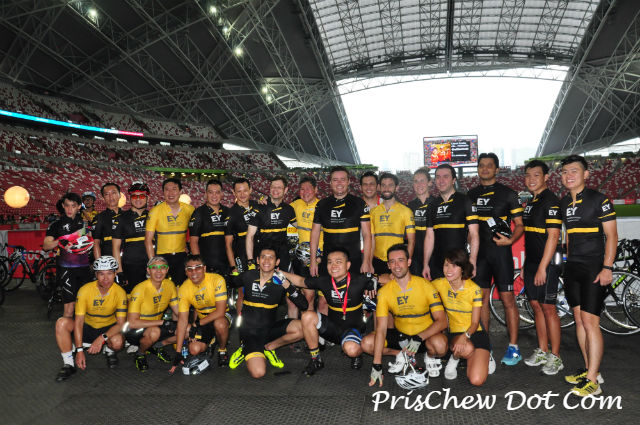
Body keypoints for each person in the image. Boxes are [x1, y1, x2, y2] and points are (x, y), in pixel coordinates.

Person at [560, 155, 617, 397]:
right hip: (572, 268)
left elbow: (612, 236)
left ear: (586, 174)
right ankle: (590, 370)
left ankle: (594, 381)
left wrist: (607, 267)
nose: (568, 175)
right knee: (579, 319)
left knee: (590, 322)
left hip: (594, 267)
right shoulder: (564, 202)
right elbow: (569, 236)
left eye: (574, 170)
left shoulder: (599, 199)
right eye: (565, 172)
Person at [281, 247, 377, 375]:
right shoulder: (324, 281)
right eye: (330, 262)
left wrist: (375, 280)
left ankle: (357, 353)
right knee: (307, 316)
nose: (333, 266)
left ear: (348, 265)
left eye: (338, 262)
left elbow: (389, 278)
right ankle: (316, 359)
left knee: (351, 350)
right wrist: (279, 272)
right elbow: (301, 281)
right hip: (332, 328)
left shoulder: (359, 280)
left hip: (352, 329)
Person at [467, 153, 524, 366]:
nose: (485, 169)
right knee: (480, 301)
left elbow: (520, 225)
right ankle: (485, 345)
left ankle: (514, 347)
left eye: (489, 165)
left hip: (501, 254)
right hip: (479, 256)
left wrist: (510, 241)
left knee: (508, 300)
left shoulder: (508, 193)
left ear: (497, 169)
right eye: (481, 165)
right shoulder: (470, 194)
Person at [366, 244, 448, 387]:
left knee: (440, 346)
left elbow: (442, 321)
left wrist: (419, 338)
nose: (397, 265)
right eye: (392, 262)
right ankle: (400, 354)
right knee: (367, 343)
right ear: (388, 265)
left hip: (424, 337)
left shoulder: (425, 285)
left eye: (400, 260)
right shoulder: (384, 292)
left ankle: (429, 356)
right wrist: (377, 364)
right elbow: (381, 329)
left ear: (409, 262)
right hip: (401, 337)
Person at [229, 246, 307, 378]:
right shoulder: (248, 276)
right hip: (249, 333)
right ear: (258, 260)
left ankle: (270, 347)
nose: (266, 260)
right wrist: (232, 272)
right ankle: (244, 349)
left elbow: (303, 305)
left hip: (270, 331)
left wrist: (288, 285)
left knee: (304, 328)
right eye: (263, 257)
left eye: (271, 257)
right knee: (258, 373)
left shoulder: (281, 281)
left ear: (277, 262)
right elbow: (230, 281)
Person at [53, 256, 127, 382]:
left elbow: (121, 324)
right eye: (101, 274)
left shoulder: (120, 292)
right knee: (61, 323)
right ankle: (68, 363)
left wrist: (102, 338)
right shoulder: (85, 290)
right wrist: (79, 350)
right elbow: (79, 322)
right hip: (87, 327)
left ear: (115, 274)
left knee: (118, 341)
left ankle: (109, 350)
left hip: (107, 329)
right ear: (96, 275)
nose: (106, 278)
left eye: (109, 273)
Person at [521, 160, 564, 375]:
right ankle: (542, 350)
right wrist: (527, 265)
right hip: (532, 262)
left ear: (546, 177)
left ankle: (555, 357)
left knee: (548, 308)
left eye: (536, 175)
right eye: (528, 175)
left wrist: (542, 267)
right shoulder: (531, 201)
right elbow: (530, 237)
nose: (531, 179)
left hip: (548, 263)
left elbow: (553, 237)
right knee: (536, 306)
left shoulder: (551, 201)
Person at [431, 249, 491, 386]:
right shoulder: (439, 284)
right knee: (467, 348)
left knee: (476, 380)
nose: (449, 270)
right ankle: (455, 359)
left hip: (475, 332)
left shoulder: (474, 289)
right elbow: (418, 285)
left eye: (454, 266)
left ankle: (484, 357)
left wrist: (465, 336)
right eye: (446, 265)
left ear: (463, 269)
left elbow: (475, 323)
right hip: (455, 333)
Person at [310, 166, 372, 276]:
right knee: (325, 288)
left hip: (353, 260)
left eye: (342, 179)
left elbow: (367, 235)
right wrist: (313, 260)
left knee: (353, 288)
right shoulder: (321, 205)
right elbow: (314, 234)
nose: (339, 183)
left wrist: (366, 261)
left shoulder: (360, 204)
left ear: (348, 181)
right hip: (328, 261)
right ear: (330, 183)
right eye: (335, 180)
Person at [171, 255, 230, 370]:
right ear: (186, 272)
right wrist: (178, 351)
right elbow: (182, 320)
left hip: (222, 316)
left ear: (204, 268)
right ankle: (212, 340)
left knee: (220, 324)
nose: (194, 272)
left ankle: (222, 350)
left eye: (198, 268)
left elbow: (220, 312)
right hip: (202, 319)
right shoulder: (183, 288)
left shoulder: (217, 279)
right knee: (194, 350)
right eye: (190, 269)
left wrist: (196, 324)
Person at [422, 164, 479, 280]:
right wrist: (425, 264)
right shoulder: (432, 205)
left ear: (453, 180)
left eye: (446, 176)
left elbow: (474, 234)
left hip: (459, 263)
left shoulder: (465, 201)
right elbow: (429, 237)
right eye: (438, 177)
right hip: (437, 264)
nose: (441, 180)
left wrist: (472, 260)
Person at [43, 192, 93, 318]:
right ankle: (66, 330)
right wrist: (60, 241)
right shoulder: (56, 224)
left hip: (85, 269)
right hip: (66, 270)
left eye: (73, 205)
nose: (70, 209)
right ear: (63, 206)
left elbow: (91, 241)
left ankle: (81, 330)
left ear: (79, 207)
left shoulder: (84, 224)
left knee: (86, 307)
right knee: (69, 309)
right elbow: (46, 246)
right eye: (67, 205)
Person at [126, 256, 179, 372]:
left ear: (167, 269)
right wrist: (163, 322)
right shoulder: (140, 289)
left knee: (187, 329)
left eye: (162, 267)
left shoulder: (170, 285)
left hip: (158, 325)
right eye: (154, 268)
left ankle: (157, 346)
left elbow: (178, 311)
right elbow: (132, 323)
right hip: (136, 330)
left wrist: (192, 326)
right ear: (148, 270)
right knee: (154, 331)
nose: (159, 271)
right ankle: (140, 354)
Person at [145, 177, 195, 286]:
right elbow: (148, 240)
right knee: (161, 289)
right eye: (167, 189)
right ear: (163, 192)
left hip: (181, 257)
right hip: (162, 257)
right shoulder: (155, 211)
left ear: (180, 192)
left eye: (174, 189)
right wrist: (153, 262)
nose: (170, 193)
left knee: (180, 288)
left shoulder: (190, 210)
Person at [246, 175, 296, 273]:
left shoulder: (289, 209)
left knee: (282, 281)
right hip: (264, 255)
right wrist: (250, 260)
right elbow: (250, 236)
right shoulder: (259, 207)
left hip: (282, 255)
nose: (275, 190)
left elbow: (300, 227)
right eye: (273, 187)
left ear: (285, 190)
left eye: (279, 187)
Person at [369, 172, 415, 275]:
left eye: (390, 185)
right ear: (379, 187)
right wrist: (369, 262)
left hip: (397, 262)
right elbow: (371, 240)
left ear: (396, 188)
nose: (386, 188)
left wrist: (407, 262)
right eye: (383, 185)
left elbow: (411, 241)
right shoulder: (373, 212)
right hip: (377, 261)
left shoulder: (406, 211)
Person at [289, 176, 323, 307]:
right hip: (302, 258)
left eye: (308, 189)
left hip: (320, 257)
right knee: (303, 295)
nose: (305, 192)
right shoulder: (295, 205)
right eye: (302, 189)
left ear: (316, 190)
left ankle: (313, 318)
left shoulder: (323, 206)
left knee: (320, 298)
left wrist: (320, 257)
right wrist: (266, 201)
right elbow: (279, 207)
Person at [112, 182, 150, 293]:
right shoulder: (121, 218)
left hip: (152, 266)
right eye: (134, 196)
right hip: (130, 266)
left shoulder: (153, 215)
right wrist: (119, 271)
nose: (138, 199)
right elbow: (115, 247)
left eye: (141, 196)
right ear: (130, 198)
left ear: (147, 198)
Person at [189, 179, 231, 274]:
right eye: (211, 192)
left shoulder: (228, 212)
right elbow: (193, 241)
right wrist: (199, 265)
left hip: (226, 266)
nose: (214, 196)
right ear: (205, 194)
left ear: (222, 194)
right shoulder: (198, 213)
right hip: (207, 267)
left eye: (217, 192)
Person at [225, 177, 260, 274]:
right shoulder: (230, 214)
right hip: (242, 257)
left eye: (245, 190)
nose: (242, 194)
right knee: (245, 282)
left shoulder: (258, 206)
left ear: (251, 190)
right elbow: (228, 244)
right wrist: (233, 267)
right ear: (234, 192)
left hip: (261, 253)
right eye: (239, 191)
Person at [407, 168, 435, 276]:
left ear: (430, 183)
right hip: (415, 257)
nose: (419, 184)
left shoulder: (437, 203)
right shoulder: (409, 207)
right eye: (416, 181)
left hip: (435, 255)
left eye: (422, 180)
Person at [91, 182, 122, 258]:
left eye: (113, 193)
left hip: (128, 260)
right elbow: (96, 243)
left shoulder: (128, 215)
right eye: (107, 194)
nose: (111, 197)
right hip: (107, 260)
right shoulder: (99, 218)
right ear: (103, 198)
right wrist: (99, 263)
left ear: (120, 195)